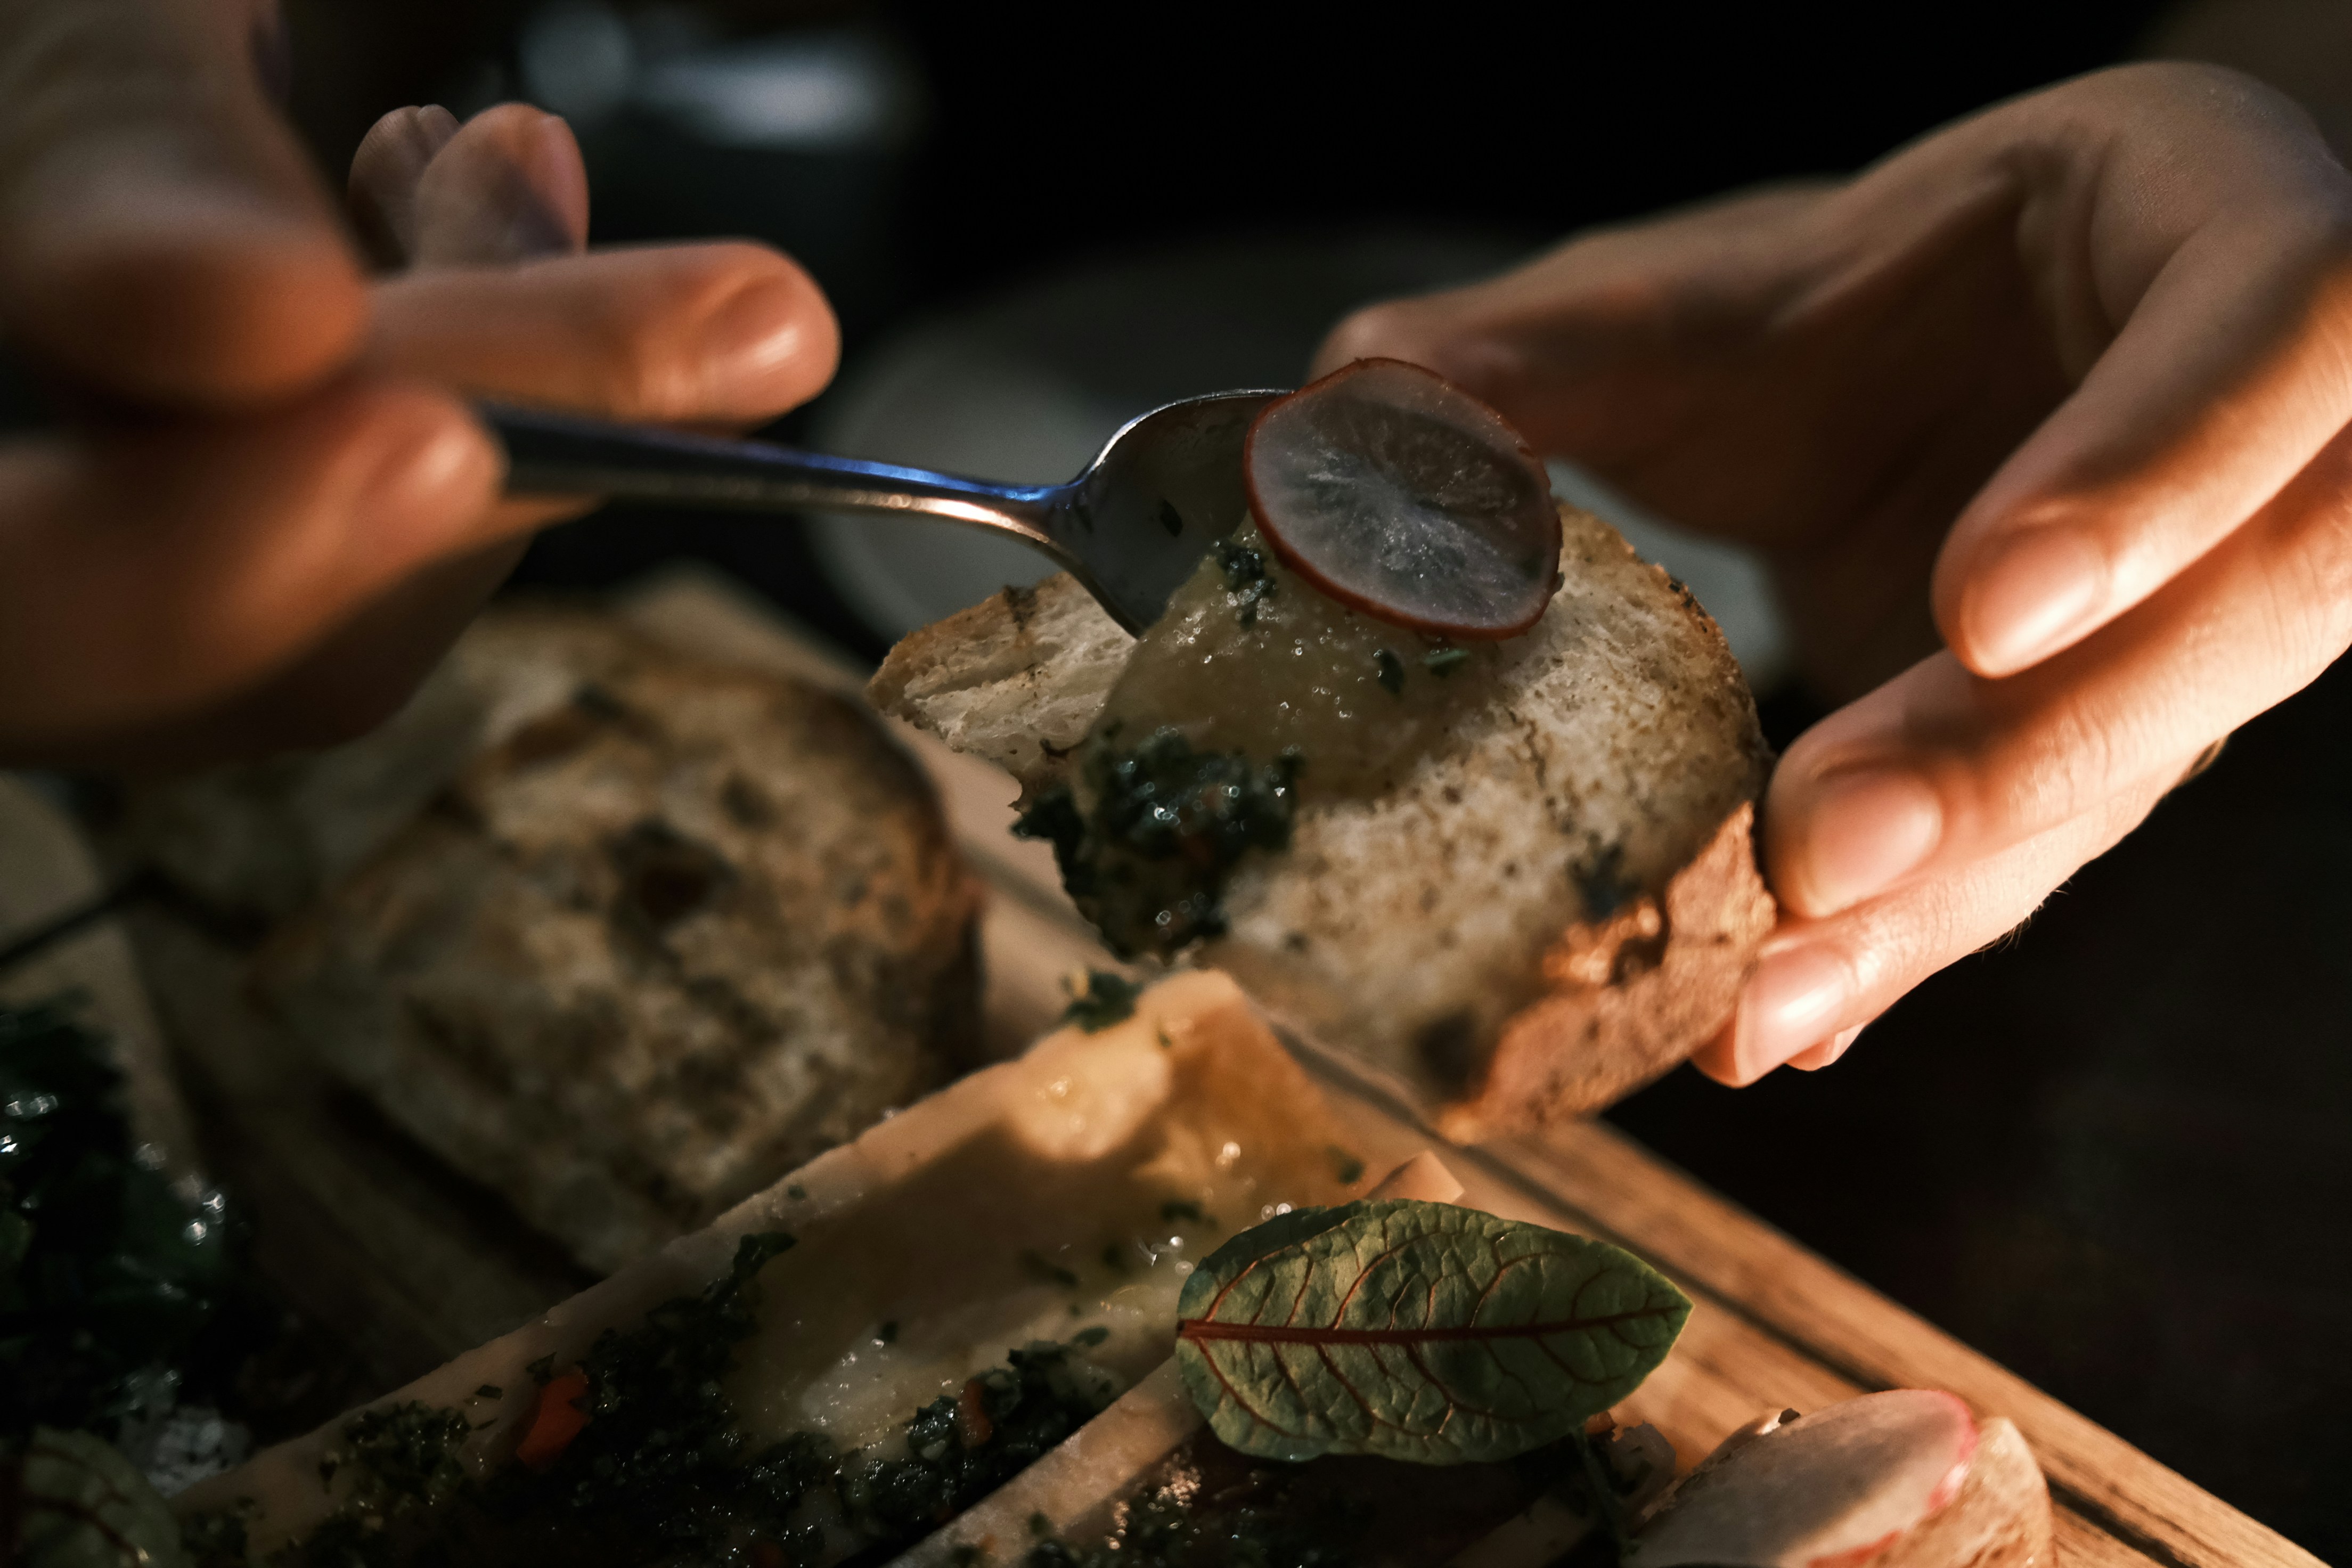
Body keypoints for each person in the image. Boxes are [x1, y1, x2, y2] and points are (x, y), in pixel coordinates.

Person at [3, 7, 2346, 1089]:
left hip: (2009, 596)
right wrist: (236, 113)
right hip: (986, 263)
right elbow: (368, 63)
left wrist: (2300, 125)